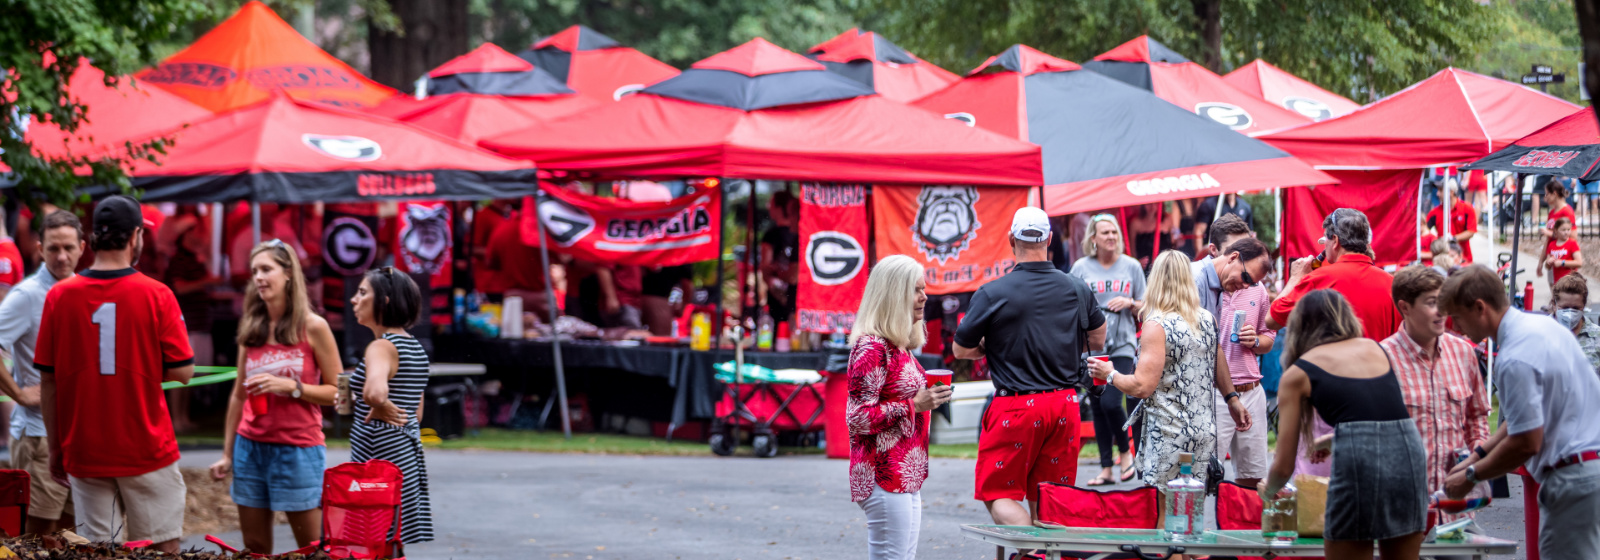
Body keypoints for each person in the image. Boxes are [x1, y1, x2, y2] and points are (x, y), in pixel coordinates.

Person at [34, 196, 194, 551]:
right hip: (146, 446)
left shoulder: (59, 296)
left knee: (98, 549)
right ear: (136, 236)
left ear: (91, 239)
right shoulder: (158, 294)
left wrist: (57, 447)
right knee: (161, 548)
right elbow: (184, 372)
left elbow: (49, 380)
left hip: (85, 447)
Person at [954, 207, 1106, 527]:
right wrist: (1063, 346)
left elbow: (961, 348)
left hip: (1016, 407)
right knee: (1050, 497)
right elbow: (1098, 335)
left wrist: (988, 348)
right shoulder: (1077, 288)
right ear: (1050, 239)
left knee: (999, 493)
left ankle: (1033, 551)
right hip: (1064, 404)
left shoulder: (992, 292)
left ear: (1011, 239)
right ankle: (1041, 550)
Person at [1440, 265, 1600, 558]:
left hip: (1571, 476)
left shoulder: (1515, 356)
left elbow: (1526, 441)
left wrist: (1472, 475)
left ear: (1480, 308)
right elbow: (1519, 418)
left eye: (1458, 317)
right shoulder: (1541, 327)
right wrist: (1476, 456)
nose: (1456, 327)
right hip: (1586, 471)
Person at [1262, 290, 1427, 559]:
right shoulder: (1375, 348)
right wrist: (1331, 440)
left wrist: (1268, 492)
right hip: (1409, 454)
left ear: (1300, 327)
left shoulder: (1298, 373)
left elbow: (1283, 466)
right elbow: (1378, 419)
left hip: (1359, 465)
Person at [208, 241, 344, 554]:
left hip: (297, 449)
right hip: (250, 450)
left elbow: (337, 393)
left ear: (288, 274)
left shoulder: (313, 326)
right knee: (255, 547)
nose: (258, 277)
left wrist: (291, 387)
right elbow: (238, 397)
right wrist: (228, 454)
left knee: (310, 548)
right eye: (255, 271)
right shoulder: (251, 328)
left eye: (266, 269)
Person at [846, 254, 952, 560]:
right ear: (895, 294)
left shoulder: (898, 345)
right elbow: (857, 418)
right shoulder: (872, 348)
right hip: (883, 473)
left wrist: (927, 398)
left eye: (924, 289)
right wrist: (913, 405)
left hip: (904, 472)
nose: (924, 297)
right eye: (917, 290)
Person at [1088, 251, 1222, 489]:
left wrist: (1109, 373)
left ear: (1155, 280)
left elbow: (1141, 386)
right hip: (1203, 432)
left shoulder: (1157, 323)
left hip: (1168, 433)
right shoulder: (1207, 319)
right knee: (1192, 511)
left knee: (1162, 514)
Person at [1378, 266, 1490, 525]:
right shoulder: (1382, 359)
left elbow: (1478, 417)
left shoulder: (1463, 353)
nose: (1442, 311)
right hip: (1403, 514)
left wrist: (1474, 463)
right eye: (1432, 303)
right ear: (1405, 307)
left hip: (1457, 513)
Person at [0, 211, 82, 535]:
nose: (61, 256)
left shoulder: (86, 289)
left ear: (83, 247)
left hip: (81, 435)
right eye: (53, 248)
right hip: (38, 434)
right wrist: (18, 394)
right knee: (38, 535)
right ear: (39, 248)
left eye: (68, 247)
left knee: (76, 533)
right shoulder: (26, 295)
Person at [347, 267, 435, 545]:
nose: (353, 299)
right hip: (405, 455)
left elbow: (374, 391)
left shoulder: (381, 347)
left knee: (370, 541)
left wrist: (379, 403)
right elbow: (416, 413)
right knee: (389, 542)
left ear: (384, 300)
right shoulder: (416, 348)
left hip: (378, 458)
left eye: (362, 293)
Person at [1069, 214, 1144, 486]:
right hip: (1091, 348)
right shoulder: (1080, 267)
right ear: (1093, 239)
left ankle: (1125, 453)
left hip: (1122, 343)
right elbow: (1067, 301)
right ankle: (1105, 468)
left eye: (1114, 232)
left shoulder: (1132, 266)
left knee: (1112, 400)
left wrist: (1130, 302)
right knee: (1099, 404)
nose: (1111, 236)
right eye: (1105, 233)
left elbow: (1147, 306)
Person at [1267, 208, 1402, 339]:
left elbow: (1271, 320)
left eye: (1326, 239)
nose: (1324, 245)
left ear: (1335, 241)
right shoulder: (1391, 283)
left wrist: (1295, 277)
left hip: (1331, 362)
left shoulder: (1319, 279)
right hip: (1379, 361)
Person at [1211, 237, 1275, 490]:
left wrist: (1255, 341)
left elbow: (1268, 337)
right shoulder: (1207, 288)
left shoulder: (1258, 291)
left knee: (1253, 477)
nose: (1246, 284)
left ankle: (1243, 528)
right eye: (1247, 277)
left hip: (1251, 390)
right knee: (1204, 472)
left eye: (1253, 281)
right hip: (1215, 393)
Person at [485, 206, 550, 317]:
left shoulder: (502, 228)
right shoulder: (540, 229)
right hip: (539, 296)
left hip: (512, 296)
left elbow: (490, 263)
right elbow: (559, 259)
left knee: (514, 331)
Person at [760, 190, 800, 323]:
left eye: (771, 204)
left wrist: (778, 274)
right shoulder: (800, 234)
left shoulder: (772, 235)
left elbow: (766, 270)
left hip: (784, 301)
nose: (768, 208)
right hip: (793, 300)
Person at [1551, 273, 1600, 374]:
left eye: (1576, 308)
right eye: (1564, 308)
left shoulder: (1597, 337)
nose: (1569, 313)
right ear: (1554, 305)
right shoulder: (1540, 333)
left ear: (1584, 306)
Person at [1426, 179, 1477, 264]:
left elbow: (1471, 231)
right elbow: (1424, 230)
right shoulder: (1434, 213)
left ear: (1451, 192)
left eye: (1440, 190)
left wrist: (1453, 238)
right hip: (1442, 259)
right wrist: (1436, 240)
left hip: (1463, 258)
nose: (1437, 194)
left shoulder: (1467, 209)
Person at [640, 265, 695, 336]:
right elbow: (687, 285)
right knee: (660, 341)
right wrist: (683, 306)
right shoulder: (680, 256)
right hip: (656, 299)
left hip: (632, 298)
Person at [1539, 217, 1583, 287]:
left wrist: (1562, 263)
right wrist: (1548, 262)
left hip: (1571, 281)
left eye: (1568, 230)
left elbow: (1579, 262)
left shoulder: (1572, 243)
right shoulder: (1551, 245)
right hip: (1558, 282)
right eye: (1563, 230)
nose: (1566, 232)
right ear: (1556, 230)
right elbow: (1547, 266)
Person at [1540, 177, 1576, 243]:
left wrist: (1549, 233)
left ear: (1554, 194)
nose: (1545, 198)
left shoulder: (1567, 212)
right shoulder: (1551, 213)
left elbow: (1573, 236)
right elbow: (1548, 240)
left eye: (1547, 194)